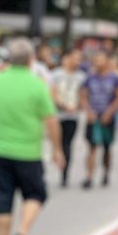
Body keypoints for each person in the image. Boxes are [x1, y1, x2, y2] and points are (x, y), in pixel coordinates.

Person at [0, 37, 64, 235]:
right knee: (35, 193)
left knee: (2, 197)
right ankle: (23, 230)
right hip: (28, 152)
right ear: (31, 60)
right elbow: (51, 120)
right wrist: (56, 149)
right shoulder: (37, 85)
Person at [79, 50, 118, 188]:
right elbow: (83, 95)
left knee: (107, 148)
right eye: (96, 59)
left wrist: (110, 112)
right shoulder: (89, 78)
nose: (97, 62)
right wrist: (88, 111)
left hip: (108, 117)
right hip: (93, 117)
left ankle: (105, 172)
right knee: (92, 147)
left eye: (100, 59)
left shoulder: (114, 78)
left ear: (107, 61)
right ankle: (89, 176)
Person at [50, 49, 86, 186]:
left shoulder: (81, 76)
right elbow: (52, 92)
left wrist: (78, 107)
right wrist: (62, 105)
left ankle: (64, 174)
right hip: (58, 115)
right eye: (75, 58)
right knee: (57, 142)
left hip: (72, 116)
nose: (77, 62)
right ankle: (57, 160)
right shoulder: (56, 74)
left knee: (67, 144)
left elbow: (83, 95)